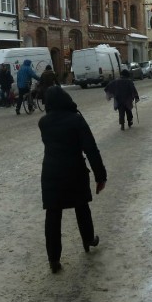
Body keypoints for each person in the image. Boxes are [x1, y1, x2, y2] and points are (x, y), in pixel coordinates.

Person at [38, 86, 107, 273]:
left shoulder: (43, 123)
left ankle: (53, 259)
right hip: (74, 171)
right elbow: (91, 149)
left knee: (53, 215)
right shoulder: (76, 120)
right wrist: (100, 176)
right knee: (81, 206)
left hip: (51, 173)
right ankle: (88, 238)